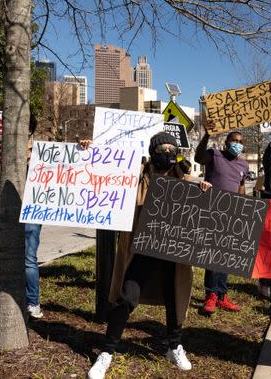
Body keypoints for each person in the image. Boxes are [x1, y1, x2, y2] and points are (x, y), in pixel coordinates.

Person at [88, 132, 197, 379]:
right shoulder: (138, 176)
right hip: (141, 250)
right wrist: (89, 150)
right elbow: (105, 171)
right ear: (153, 152)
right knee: (126, 298)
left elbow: (202, 203)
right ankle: (107, 352)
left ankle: (174, 346)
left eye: (172, 149)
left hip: (173, 254)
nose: (167, 153)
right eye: (162, 149)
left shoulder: (185, 178)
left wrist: (204, 188)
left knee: (174, 299)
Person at [0, 115, 44, 318]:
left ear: (30, 131)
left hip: (30, 210)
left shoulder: (40, 154)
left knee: (28, 258)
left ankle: (32, 302)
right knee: (2, 257)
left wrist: (85, 146)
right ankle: (9, 300)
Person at [194, 119, 247, 314]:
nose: (237, 143)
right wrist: (207, 135)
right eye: (233, 140)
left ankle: (222, 295)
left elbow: (241, 186)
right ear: (226, 142)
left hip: (231, 214)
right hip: (211, 211)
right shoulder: (214, 155)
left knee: (225, 254)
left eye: (240, 141)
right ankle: (211, 295)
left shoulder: (243, 164)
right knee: (212, 254)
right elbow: (198, 157)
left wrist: (243, 208)